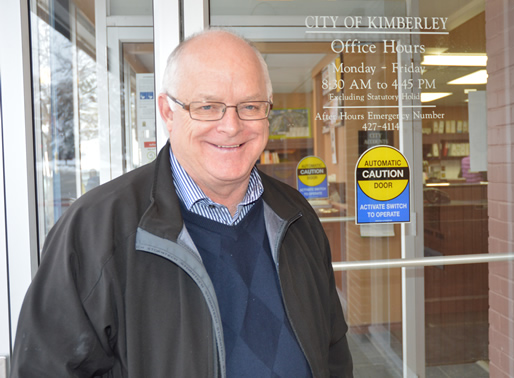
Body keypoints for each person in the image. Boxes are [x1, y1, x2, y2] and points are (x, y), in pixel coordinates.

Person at [11, 29, 353, 377]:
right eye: (208, 107)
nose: (231, 126)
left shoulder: (296, 216)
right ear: (168, 112)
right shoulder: (94, 230)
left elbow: (333, 352)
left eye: (250, 106)